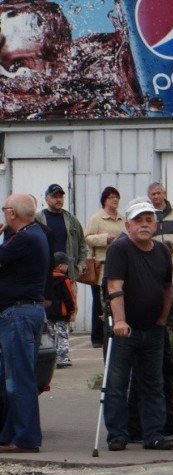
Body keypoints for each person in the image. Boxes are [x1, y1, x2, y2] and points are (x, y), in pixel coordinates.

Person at [102, 198, 173, 452]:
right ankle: (117, 435)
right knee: (117, 384)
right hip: (126, 329)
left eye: (149, 220)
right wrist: (119, 320)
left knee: (153, 384)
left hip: (153, 329)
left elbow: (167, 286)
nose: (145, 224)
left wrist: (163, 318)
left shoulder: (162, 251)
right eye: (139, 220)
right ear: (127, 225)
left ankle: (153, 434)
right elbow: (114, 286)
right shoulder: (119, 249)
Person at [0, 193, 51, 453]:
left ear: (12, 214)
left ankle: (26, 438)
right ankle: (8, 434)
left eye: (4, 209)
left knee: (18, 380)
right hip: (22, 313)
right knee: (9, 377)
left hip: (18, 314)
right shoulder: (32, 234)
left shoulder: (25, 238)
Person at [84, 186, 122, 348]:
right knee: (99, 302)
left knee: (115, 298)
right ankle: (97, 337)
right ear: (104, 200)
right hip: (101, 265)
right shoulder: (97, 218)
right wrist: (105, 239)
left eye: (117, 197)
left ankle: (113, 329)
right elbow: (87, 238)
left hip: (118, 265)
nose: (114, 200)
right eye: (111, 197)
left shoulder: (122, 219)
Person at [36, 183, 87, 281]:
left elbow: (82, 244)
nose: (58, 199)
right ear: (46, 199)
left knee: (69, 296)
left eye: (61, 197)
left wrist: (80, 266)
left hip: (68, 275)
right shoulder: (38, 219)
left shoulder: (71, 220)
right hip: (44, 275)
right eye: (54, 196)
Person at [46, 251, 75, 369]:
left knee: (50, 335)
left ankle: (50, 358)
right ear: (60, 266)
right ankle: (62, 358)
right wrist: (71, 310)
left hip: (48, 312)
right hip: (62, 313)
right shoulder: (64, 280)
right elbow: (69, 297)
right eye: (67, 264)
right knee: (62, 335)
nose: (68, 266)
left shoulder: (46, 278)